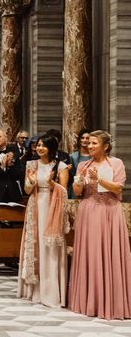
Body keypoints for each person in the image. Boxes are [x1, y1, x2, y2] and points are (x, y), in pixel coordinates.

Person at [68, 130, 131, 320]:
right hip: (88, 210)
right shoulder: (83, 164)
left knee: (110, 253)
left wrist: (99, 179)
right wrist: (77, 182)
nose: (90, 145)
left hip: (110, 210)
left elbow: (118, 187)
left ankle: (113, 301)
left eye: (95, 143)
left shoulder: (116, 163)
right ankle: (90, 300)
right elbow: (78, 191)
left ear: (105, 146)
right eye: (89, 143)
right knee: (90, 253)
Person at [18, 135, 69, 308]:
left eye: (43, 146)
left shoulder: (60, 166)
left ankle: (52, 290)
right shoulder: (31, 165)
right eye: (38, 145)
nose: (39, 148)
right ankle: (35, 290)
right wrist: (31, 182)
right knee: (36, 243)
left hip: (52, 206)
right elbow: (27, 190)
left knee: (51, 247)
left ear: (51, 148)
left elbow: (64, 191)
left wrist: (52, 184)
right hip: (36, 205)